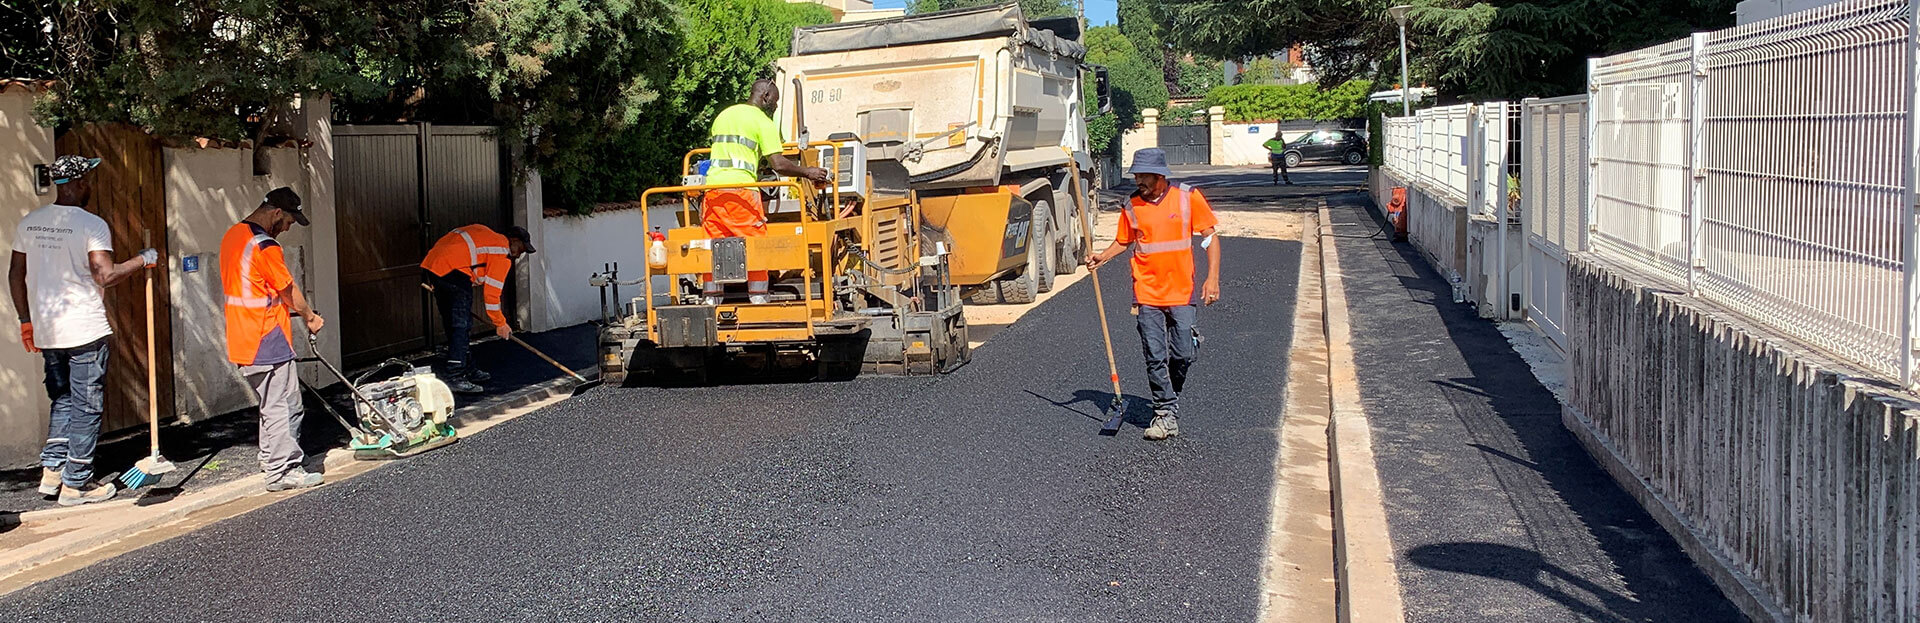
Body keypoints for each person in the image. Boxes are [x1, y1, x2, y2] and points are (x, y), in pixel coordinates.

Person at [9, 155, 156, 506]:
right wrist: (144, 259)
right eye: (87, 179)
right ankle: (77, 483)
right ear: (75, 185)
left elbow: (16, 274)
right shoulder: (91, 224)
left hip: (48, 329)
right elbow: (105, 275)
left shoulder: (30, 222)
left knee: (63, 399)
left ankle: (53, 471)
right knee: (87, 404)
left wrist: (26, 320)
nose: (90, 184)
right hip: (84, 330)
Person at [1085, 148, 1222, 441]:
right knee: (1154, 355)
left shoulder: (1187, 197)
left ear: (1160, 176)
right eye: (1136, 175)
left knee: (1182, 353)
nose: (1138, 180)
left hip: (1181, 292)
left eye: (1143, 175)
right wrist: (1102, 257)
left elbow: (1210, 238)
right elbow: (1124, 241)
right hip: (1146, 292)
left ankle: (1169, 394)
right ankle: (1165, 413)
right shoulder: (1132, 205)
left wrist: (1212, 278)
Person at [221, 187, 325, 491]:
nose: (289, 228)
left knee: (270, 403)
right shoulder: (263, 245)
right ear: (277, 213)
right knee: (284, 403)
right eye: (289, 221)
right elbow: (288, 290)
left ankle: (270, 459)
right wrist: (310, 317)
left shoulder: (233, 236)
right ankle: (283, 470)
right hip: (265, 334)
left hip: (242, 334)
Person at [701, 78, 831, 304]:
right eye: (776, 101)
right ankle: (759, 297)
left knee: (715, 245)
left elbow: (733, 151)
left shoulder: (724, 116)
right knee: (755, 244)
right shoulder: (762, 122)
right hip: (741, 192)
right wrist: (808, 172)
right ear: (765, 96)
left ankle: (712, 299)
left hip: (712, 191)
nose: (776, 107)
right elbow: (779, 164)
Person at [419, 224, 536, 394]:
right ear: (514, 241)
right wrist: (500, 323)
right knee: (461, 325)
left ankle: (467, 367)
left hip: (435, 266)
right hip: (454, 271)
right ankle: (455, 376)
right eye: (521, 248)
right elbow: (491, 296)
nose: (520, 254)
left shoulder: (486, 234)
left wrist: (438, 279)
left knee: (453, 322)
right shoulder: (501, 253)